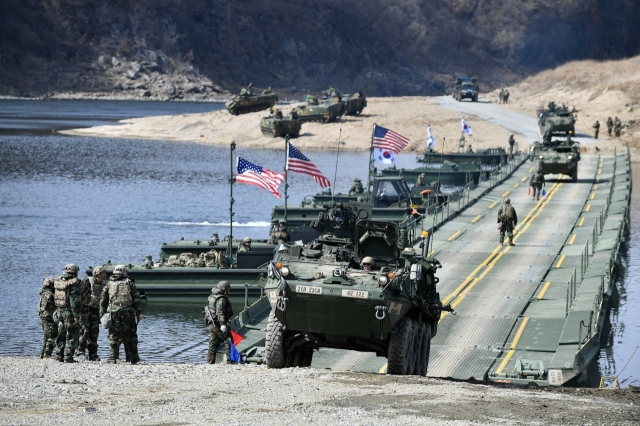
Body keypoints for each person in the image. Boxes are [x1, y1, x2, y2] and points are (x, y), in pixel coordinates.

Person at [100, 264, 142, 364]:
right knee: (131, 335)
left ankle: (112, 357)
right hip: (127, 312)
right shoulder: (129, 283)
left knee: (114, 335)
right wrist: (138, 313)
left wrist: (102, 315)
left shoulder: (109, 284)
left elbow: (103, 301)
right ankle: (133, 358)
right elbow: (136, 300)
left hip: (113, 313)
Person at [53, 264, 82, 363]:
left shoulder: (58, 281)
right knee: (73, 335)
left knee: (61, 333)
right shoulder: (74, 283)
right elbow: (74, 302)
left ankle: (58, 355)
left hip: (59, 310)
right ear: (75, 272)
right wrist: (77, 317)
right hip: (69, 313)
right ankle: (68, 357)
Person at [77, 266, 107, 361]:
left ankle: (93, 354)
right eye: (102, 273)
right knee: (84, 331)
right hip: (85, 310)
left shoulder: (103, 284)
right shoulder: (87, 281)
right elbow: (79, 294)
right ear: (97, 273)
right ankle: (80, 352)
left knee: (94, 332)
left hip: (95, 311)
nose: (104, 274)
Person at [207, 281, 234, 364]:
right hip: (218, 324)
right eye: (227, 289)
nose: (228, 291)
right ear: (224, 289)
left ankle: (210, 362)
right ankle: (230, 360)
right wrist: (223, 324)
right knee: (228, 340)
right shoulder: (221, 299)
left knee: (213, 343)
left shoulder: (213, 296)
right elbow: (220, 312)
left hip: (212, 323)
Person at [38, 277, 58, 359]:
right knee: (51, 335)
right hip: (48, 317)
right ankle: (47, 354)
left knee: (46, 336)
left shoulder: (45, 292)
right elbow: (48, 306)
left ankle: (43, 354)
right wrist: (56, 302)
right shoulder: (48, 294)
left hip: (44, 316)